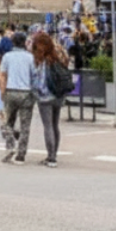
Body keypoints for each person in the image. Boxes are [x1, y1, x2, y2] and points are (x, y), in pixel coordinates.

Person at [0, 31, 35, 165]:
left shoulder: (7, 57)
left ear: (13, 42)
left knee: (7, 122)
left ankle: (10, 145)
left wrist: (3, 91)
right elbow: (34, 76)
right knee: (25, 125)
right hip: (26, 93)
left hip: (11, 90)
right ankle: (21, 154)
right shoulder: (30, 57)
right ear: (25, 42)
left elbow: (2, 75)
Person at [31, 32, 67, 168]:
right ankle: (54, 154)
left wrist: (35, 93)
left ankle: (51, 157)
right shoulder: (57, 56)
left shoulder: (40, 59)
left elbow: (38, 82)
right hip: (58, 95)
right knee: (55, 125)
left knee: (48, 126)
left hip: (45, 97)